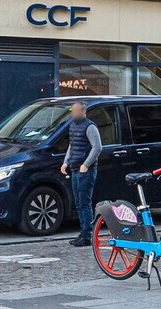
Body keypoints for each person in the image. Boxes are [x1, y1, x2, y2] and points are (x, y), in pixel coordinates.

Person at [59, 100, 104, 247]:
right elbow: (72, 145)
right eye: (73, 110)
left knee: (84, 203)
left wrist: (86, 164)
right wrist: (66, 162)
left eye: (77, 111)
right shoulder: (73, 125)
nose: (74, 113)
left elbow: (97, 148)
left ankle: (87, 234)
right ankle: (83, 232)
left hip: (86, 170)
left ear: (84, 112)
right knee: (78, 203)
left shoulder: (90, 127)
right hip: (75, 168)